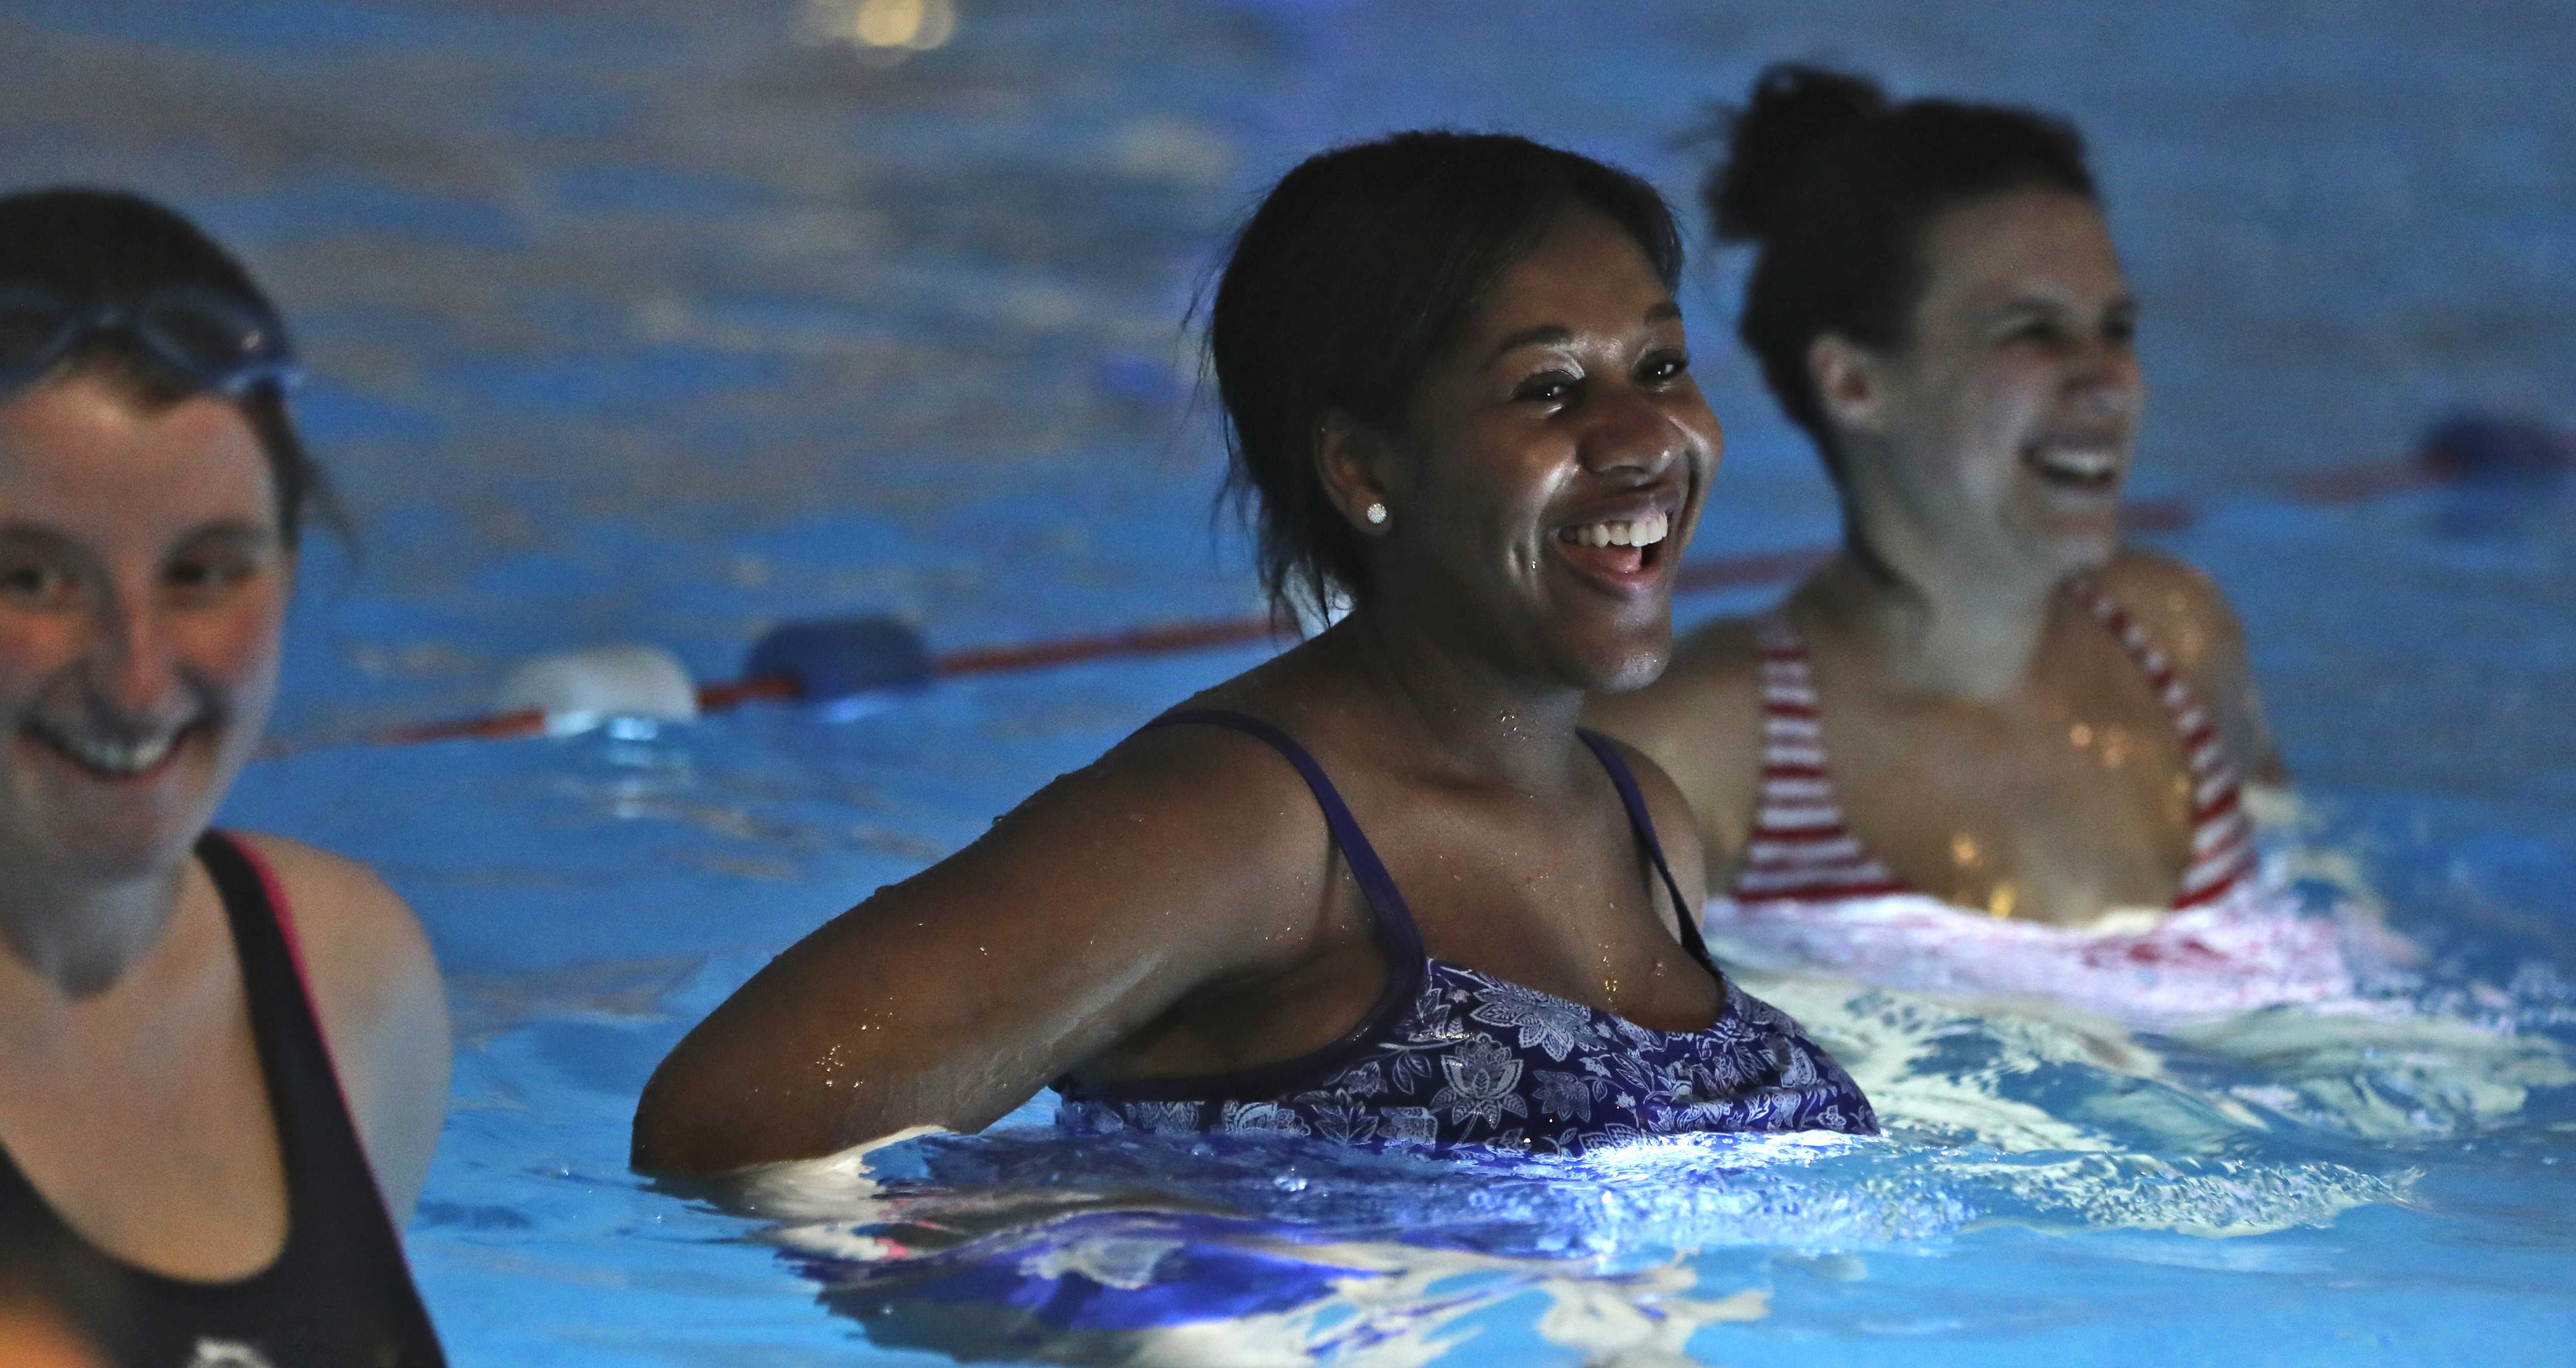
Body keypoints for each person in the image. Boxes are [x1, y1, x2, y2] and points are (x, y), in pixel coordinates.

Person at [634, 132, 1873, 1171]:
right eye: (1547, 389)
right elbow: (733, 1120)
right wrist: (1103, 1301)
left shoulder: (1639, 816)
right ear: (1363, 467)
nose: (1643, 435)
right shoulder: (1254, 825)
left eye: (1660, 366)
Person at [0, 189, 451, 1366]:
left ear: (288, 566)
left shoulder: (353, 978)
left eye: (204, 572)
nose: (137, 682)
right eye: (35, 580)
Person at [1589, 67, 2360, 1021]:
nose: (2108, 384)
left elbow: (2330, 929)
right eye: (2032, 332)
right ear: (1855, 384)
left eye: (2115, 330)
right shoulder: (1700, 753)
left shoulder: (2176, 638)